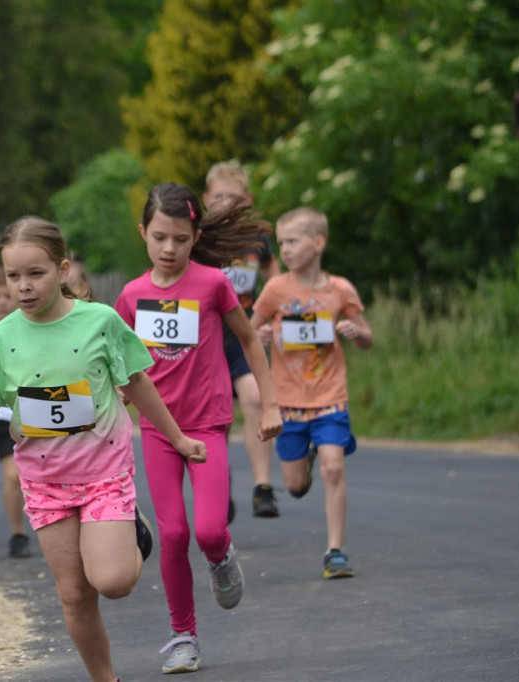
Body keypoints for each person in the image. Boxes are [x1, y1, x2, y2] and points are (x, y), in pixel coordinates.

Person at [0, 217, 206, 682]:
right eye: (13, 277)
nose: (23, 286)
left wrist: (177, 438)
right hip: (45, 482)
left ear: (62, 270)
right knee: (75, 595)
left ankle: (133, 533)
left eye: (35, 274)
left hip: (104, 473)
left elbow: (137, 383)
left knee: (114, 583)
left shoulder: (99, 322)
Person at [114, 183, 283, 674]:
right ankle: (183, 636)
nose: (170, 249)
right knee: (172, 534)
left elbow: (250, 341)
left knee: (208, 530)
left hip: (207, 423)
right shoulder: (131, 295)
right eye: (160, 237)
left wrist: (269, 404)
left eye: (181, 239)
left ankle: (222, 554)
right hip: (159, 430)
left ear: (196, 237)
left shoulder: (212, 284)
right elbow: (123, 366)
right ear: (143, 233)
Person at [250, 207, 373, 580]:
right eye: (282, 242)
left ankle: (335, 551)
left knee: (334, 469)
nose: (284, 250)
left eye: (293, 241)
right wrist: (262, 336)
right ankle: (310, 454)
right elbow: (249, 334)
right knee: (295, 485)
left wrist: (356, 332)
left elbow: (367, 338)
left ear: (318, 243)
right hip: (288, 400)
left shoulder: (340, 290)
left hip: (330, 395)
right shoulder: (275, 290)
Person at [203, 161, 282, 520]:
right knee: (215, 417)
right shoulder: (200, 239)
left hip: (243, 335)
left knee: (253, 396)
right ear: (206, 200)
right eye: (218, 197)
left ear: (246, 200)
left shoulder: (257, 238)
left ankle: (262, 486)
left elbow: (271, 271)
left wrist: (275, 308)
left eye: (233, 197)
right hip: (206, 339)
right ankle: (221, 483)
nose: (225, 204)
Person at [0, 263, 31, 558]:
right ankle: (18, 533)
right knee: (12, 475)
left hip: (31, 409)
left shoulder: (29, 326)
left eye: (6, 295)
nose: (2, 301)